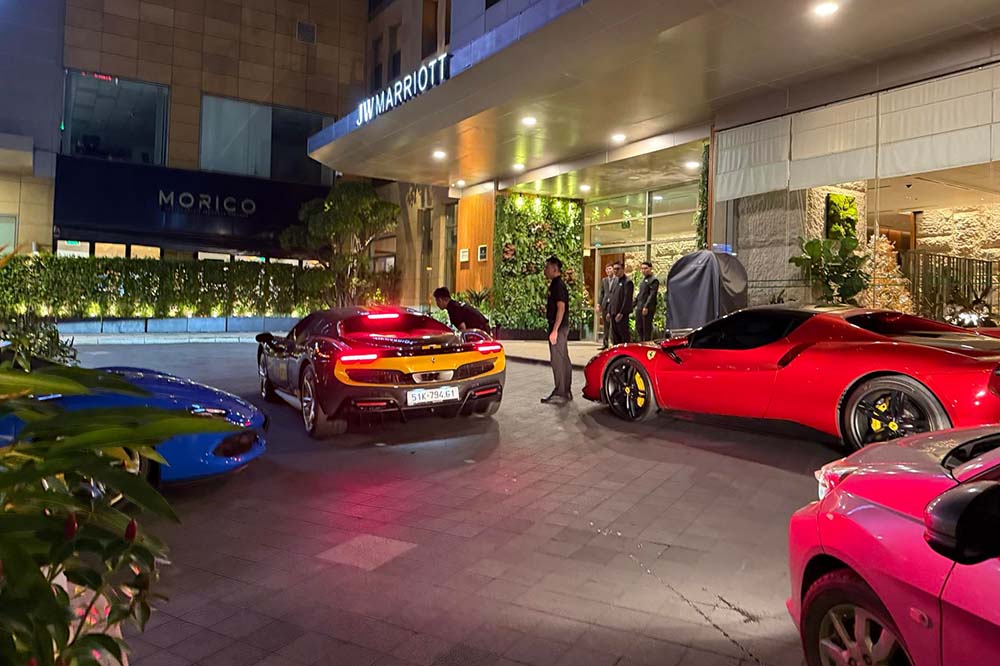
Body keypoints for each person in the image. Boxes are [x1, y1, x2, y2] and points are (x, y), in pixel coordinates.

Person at [541, 256, 572, 405]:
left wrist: (554, 330)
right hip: (561, 326)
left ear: (554, 268)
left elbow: (561, 307)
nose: (545, 270)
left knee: (558, 360)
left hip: (558, 326)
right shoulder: (557, 284)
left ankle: (561, 392)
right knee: (563, 358)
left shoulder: (558, 285)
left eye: (547, 267)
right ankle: (565, 390)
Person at [606, 261, 634, 345]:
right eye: (614, 269)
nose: (615, 271)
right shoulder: (615, 281)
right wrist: (609, 311)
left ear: (623, 269)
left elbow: (627, 299)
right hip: (613, 313)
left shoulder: (628, 282)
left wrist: (621, 313)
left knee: (623, 335)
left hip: (621, 315)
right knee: (615, 336)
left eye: (617, 269)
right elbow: (612, 297)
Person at [634, 261, 659, 342]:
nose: (644, 270)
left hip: (647, 308)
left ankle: (646, 344)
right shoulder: (643, 280)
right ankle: (641, 343)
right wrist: (633, 304)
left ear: (650, 268)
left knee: (646, 328)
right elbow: (640, 294)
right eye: (642, 269)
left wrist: (646, 306)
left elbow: (652, 295)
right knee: (639, 326)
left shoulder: (654, 280)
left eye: (645, 268)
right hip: (639, 307)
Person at [598, 264, 614, 349]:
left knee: (612, 325)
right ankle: (605, 344)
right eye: (607, 269)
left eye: (610, 269)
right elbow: (602, 293)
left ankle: (612, 343)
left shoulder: (616, 279)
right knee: (605, 325)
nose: (608, 271)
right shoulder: (604, 280)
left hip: (613, 305)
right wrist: (599, 304)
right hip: (605, 304)